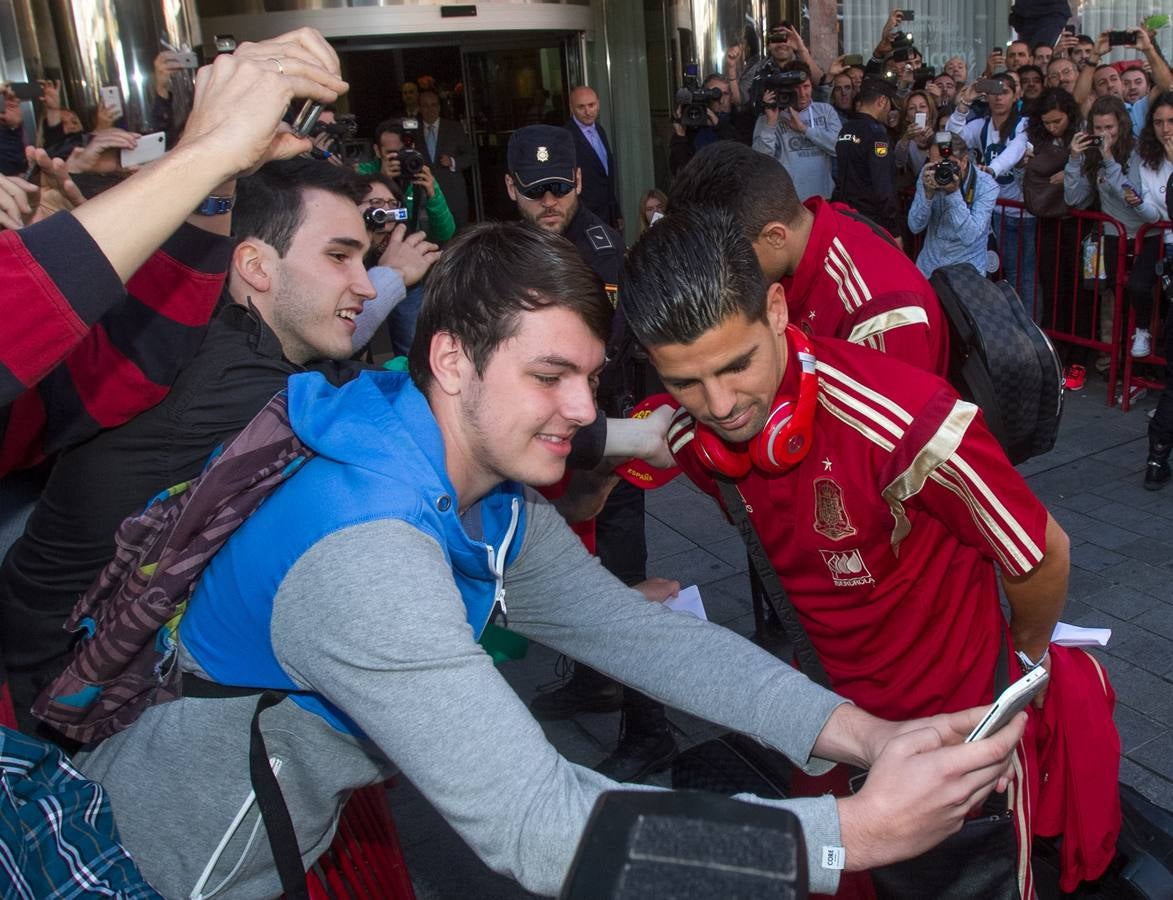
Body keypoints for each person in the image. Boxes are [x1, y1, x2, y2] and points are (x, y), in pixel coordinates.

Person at [72, 219, 1028, 898]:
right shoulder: (365, 555)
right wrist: (846, 836)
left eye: (590, 377)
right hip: (175, 866)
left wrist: (864, 737)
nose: (584, 413)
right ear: (450, 361)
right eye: (548, 377)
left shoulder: (457, 474)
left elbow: (643, 639)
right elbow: (539, 825)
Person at [620, 204, 1069, 899]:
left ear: (775, 309)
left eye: (736, 365)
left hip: (948, 738)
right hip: (827, 726)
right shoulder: (696, 435)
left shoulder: (907, 422)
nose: (719, 405)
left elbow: (1040, 552)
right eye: (684, 382)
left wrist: (1024, 663)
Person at [0, 159, 439, 736]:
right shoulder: (235, 385)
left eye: (363, 256)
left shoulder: (227, 346)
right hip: (47, 710)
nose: (364, 281)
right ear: (255, 266)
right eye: (339, 256)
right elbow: (401, 418)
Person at [504, 124, 671, 779]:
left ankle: (651, 726)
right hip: (548, 448)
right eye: (533, 190)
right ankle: (595, 681)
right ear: (509, 189)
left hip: (604, 447)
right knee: (567, 578)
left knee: (624, 590)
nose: (549, 201)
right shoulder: (517, 248)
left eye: (560, 187)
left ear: (578, 180)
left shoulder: (594, 247)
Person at [670, 140, 948, 377]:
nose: (726, 274)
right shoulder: (810, 231)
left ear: (776, 237)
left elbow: (894, 436)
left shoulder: (876, 310)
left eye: (729, 259)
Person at [1065, 96, 1160, 375]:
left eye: (1109, 127)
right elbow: (1074, 198)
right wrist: (1073, 159)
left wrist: (1109, 161)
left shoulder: (1139, 151)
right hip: (1111, 235)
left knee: (1143, 297)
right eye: (1097, 127)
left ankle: (1140, 366)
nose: (1104, 134)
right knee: (1110, 299)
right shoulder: (1093, 153)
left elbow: (1133, 197)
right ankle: (1110, 364)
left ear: (1121, 124)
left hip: (1144, 234)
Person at [950, 72, 1036, 316]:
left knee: (1021, 276)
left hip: (1021, 213)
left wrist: (992, 170)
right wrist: (965, 103)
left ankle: (1027, 328)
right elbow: (951, 138)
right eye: (994, 92)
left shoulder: (1024, 123)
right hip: (992, 212)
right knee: (995, 272)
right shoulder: (981, 125)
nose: (999, 98)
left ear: (1015, 95)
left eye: (1005, 92)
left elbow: (1017, 149)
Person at [1024, 88, 1083, 343]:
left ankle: (1076, 344)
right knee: (1050, 282)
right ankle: (1053, 340)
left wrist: (1070, 172)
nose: (1052, 127)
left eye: (1057, 121)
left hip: (1078, 223)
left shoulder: (1081, 135)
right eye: (1046, 122)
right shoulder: (1036, 138)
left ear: (1069, 115)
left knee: (1076, 287)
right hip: (1048, 220)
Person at [908, 132, 999, 277]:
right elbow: (915, 226)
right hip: (929, 270)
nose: (940, 170)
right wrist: (927, 195)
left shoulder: (987, 186)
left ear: (963, 161)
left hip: (966, 277)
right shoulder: (928, 174)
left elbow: (970, 236)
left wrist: (953, 193)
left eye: (946, 164)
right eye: (934, 163)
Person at [751, 61, 842, 202]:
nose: (802, 94)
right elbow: (760, 160)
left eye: (806, 87)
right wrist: (770, 123)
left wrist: (805, 130)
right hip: (789, 203)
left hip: (824, 200)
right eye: (796, 88)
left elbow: (839, 148)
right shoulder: (769, 117)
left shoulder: (825, 111)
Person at [1126, 92, 1173, 358]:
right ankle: (1143, 330)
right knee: (1138, 284)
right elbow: (1154, 214)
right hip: (1159, 234)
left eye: (1171, 121)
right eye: (1158, 122)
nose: (1165, 129)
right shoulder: (1146, 160)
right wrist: (1137, 203)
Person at [833, 78, 902, 241]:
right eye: (890, 105)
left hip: (845, 217)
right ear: (882, 101)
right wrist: (894, 231)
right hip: (871, 223)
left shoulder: (845, 129)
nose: (889, 111)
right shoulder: (877, 135)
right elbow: (883, 186)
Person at [1073, 29, 1173, 134]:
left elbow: (1166, 86)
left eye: (1114, 79)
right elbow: (1079, 98)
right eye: (1102, 83)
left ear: (1122, 85)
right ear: (1094, 93)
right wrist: (1095, 54)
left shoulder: (1138, 109)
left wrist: (1148, 49)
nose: (1110, 85)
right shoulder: (1093, 114)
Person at [566, 85, 622, 229]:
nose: (587, 111)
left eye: (591, 105)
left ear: (598, 103)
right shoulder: (566, 137)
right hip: (585, 219)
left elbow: (606, 176)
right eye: (581, 107)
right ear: (572, 108)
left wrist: (615, 211)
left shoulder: (600, 130)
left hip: (607, 215)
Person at [418, 87, 473, 228]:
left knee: (458, 235)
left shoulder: (453, 128)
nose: (430, 109)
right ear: (420, 108)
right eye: (425, 105)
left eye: (433, 105)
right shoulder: (412, 131)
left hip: (453, 193)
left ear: (439, 107)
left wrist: (453, 162)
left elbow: (471, 156)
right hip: (424, 195)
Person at [669, 73, 739, 174]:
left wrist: (718, 124)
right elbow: (679, 171)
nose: (720, 99)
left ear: (731, 97)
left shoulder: (740, 121)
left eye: (725, 93)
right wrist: (680, 135)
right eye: (715, 94)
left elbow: (738, 157)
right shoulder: (692, 126)